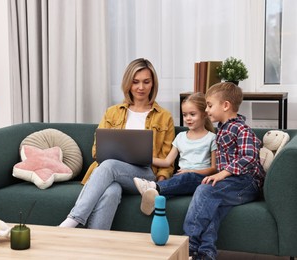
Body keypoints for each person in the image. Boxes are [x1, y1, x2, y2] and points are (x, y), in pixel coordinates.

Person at [59, 58, 175, 229]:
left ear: (153, 84)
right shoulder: (112, 113)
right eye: (135, 82)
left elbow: (167, 161)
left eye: (146, 82)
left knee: (110, 165)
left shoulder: (164, 117)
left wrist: (158, 186)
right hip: (111, 173)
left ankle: (73, 220)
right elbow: (96, 150)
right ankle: (96, 245)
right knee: (111, 190)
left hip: (144, 177)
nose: (141, 87)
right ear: (128, 83)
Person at [185, 82, 265, 260]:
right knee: (214, 208)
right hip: (232, 184)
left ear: (226, 105)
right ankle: (206, 253)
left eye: (210, 105)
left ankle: (189, 244)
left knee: (205, 191)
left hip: (246, 183)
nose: (206, 110)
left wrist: (223, 173)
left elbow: (250, 157)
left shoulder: (241, 129)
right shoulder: (221, 130)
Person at [133, 92, 217, 215]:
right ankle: (153, 200)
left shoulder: (212, 138)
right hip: (181, 178)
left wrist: (191, 171)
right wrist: (143, 157)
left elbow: (214, 169)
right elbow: (167, 161)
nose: (188, 118)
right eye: (185, 115)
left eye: (192, 114)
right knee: (168, 191)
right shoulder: (181, 137)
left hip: (201, 180)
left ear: (204, 114)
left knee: (186, 177)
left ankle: (153, 186)